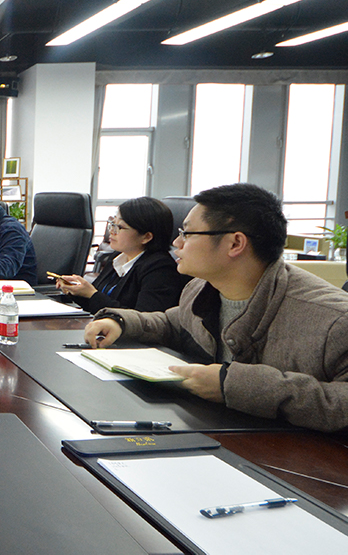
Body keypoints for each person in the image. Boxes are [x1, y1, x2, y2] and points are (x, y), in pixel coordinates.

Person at [83, 183, 348, 432]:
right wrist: (121, 322)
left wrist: (233, 384)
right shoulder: (201, 287)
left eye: (187, 234)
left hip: (296, 456)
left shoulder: (334, 320)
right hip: (222, 432)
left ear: (235, 244)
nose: (177, 243)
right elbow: (175, 323)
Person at [58, 197, 187, 313]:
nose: (112, 232)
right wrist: (76, 291)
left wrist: (92, 294)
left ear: (146, 237)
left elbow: (142, 320)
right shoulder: (118, 257)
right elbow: (96, 303)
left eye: (119, 227)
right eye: (112, 224)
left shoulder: (160, 269)